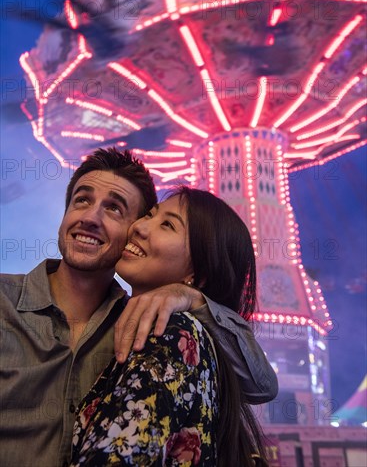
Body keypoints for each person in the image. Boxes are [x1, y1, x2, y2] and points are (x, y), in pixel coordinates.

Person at [0, 148, 277, 467]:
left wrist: (191, 298)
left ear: (131, 230)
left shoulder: (154, 330)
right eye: (82, 200)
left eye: (115, 209)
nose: (90, 218)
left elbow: (262, 384)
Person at [71, 187, 268, 466]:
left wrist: (191, 298)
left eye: (167, 224)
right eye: (150, 215)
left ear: (196, 274)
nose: (139, 227)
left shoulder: (171, 333)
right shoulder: (165, 327)